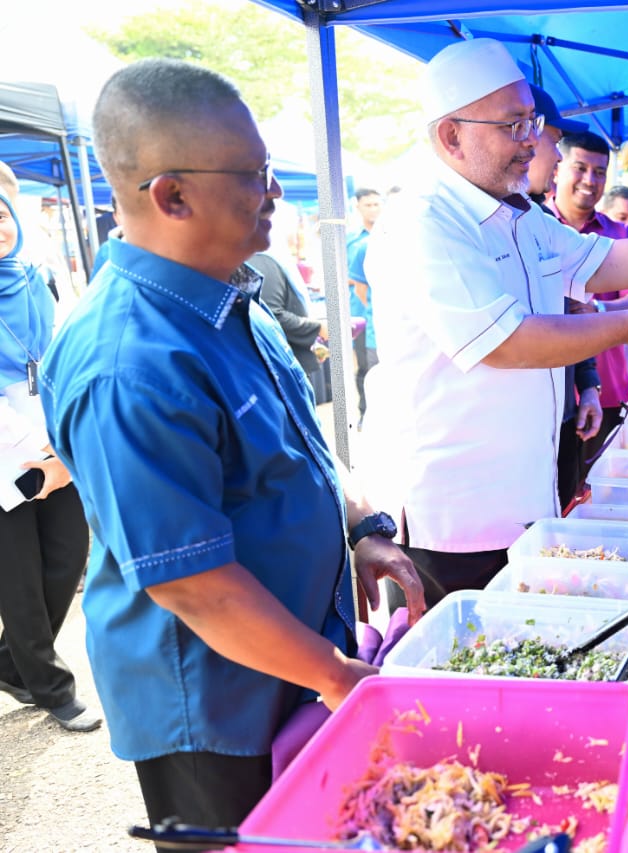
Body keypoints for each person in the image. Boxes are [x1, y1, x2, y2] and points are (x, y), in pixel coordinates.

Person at [39, 59, 425, 837]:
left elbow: (298, 445)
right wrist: (334, 674)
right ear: (171, 196)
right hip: (215, 706)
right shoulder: (129, 364)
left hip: (297, 659)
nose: (273, 191)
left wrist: (363, 527)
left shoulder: (230, 296)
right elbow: (192, 583)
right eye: (253, 174)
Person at [364, 38, 628, 609]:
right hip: (454, 518)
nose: (530, 141)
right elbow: (507, 342)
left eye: (531, 123)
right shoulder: (424, 222)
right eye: (513, 126)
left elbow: (602, 263)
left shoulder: (519, 213)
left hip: (523, 501)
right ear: (452, 135)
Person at [0, 190, 98, 733]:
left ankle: (11, 662)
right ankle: (51, 687)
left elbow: (63, 353)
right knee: (18, 574)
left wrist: (64, 438)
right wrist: (39, 449)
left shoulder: (33, 278)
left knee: (67, 552)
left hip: (54, 428)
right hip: (7, 447)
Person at [547, 129, 628, 469]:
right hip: (548, 388)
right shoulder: (536, 227)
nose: (589, 180)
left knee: (601, 483)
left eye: (599, 172)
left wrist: (599, 309)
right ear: (557, 169)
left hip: (607, 386)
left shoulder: (619, 234)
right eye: (580, 168)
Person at [524, 85, 603, 512]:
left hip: (562, 415)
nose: (555, 157)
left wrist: (587, 384)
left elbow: (573, 313)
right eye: (553, 141)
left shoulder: (537, 222)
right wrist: (627, 324)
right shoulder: (453, 225)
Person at [252, 250, 327, 402]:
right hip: (282, 369)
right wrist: (316, 328)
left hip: (286, 365)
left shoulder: (270, 258)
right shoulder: (264, 260)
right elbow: (272, 316)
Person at [347, 187, 382, 429]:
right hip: (362, 316)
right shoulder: (352, 241)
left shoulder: (391, 236)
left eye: (376, 204)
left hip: (383, 318)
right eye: (368, 205)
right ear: (358, 206)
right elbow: (355, 283)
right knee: (365, 367)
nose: (373, 209)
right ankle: (365, 413)